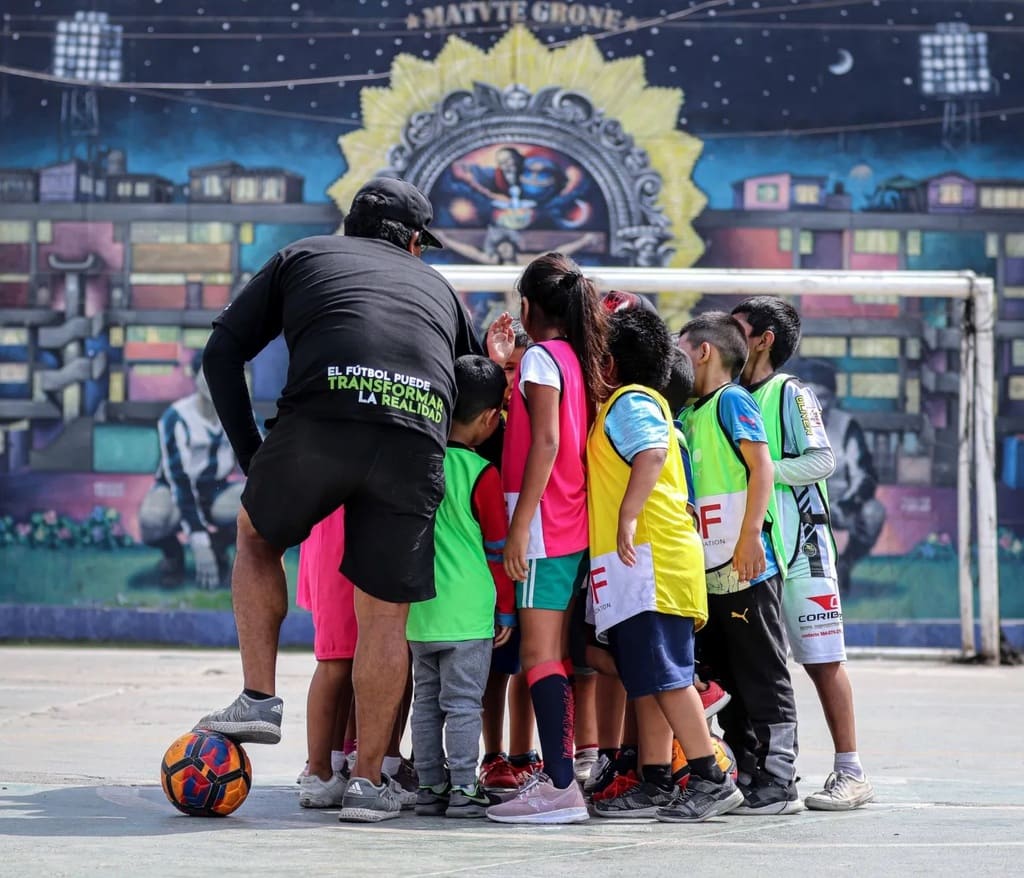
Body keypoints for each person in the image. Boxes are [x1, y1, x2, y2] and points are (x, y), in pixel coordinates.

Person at [194, 177, 483, 823]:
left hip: (323, 422)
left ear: (348, 225)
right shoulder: (439, 286)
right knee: (385, 619)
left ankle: (259, 700)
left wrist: (251, 453)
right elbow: (472, 383)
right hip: (414, 438)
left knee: (257, 537)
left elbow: (223, 351)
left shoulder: (304, 255)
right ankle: (370, 783)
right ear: (414, 241)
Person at [585, 308, 743, 822]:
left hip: (651, 560)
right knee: (649, 676)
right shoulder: (636, 403)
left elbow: (650, 453)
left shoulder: (631, 401)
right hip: (644, 563)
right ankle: (655, 779)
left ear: (608, 363)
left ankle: (709, 778)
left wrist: (628, 516)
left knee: (669, 677)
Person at [731, 296, 874, 811]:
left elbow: (822, 459)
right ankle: (755, 770)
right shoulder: (727, 395)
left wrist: (759, 474)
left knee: (821, 660)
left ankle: (851, 770)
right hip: (753, 550)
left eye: (738, 328)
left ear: (764, 339)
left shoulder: (789, 393)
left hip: (804, 549)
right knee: (755, 665)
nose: (729, 336)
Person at [485, 253, 608, 825]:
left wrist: (516, 528)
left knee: (537, 657)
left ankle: (560, 787)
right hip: (567, 523)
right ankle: (561, 780)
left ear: (529, 307)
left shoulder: (539, 359)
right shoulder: (573, 359)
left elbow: (547, 444)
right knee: (551, 656)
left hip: (542, 526)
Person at [677, 312, 802, 815]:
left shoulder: (733, 401)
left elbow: (762, 467)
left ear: (704, 352)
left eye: (681, 348)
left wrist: (752, 534)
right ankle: (748, 770)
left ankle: (781, 780)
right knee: (728, 676)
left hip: (747, 565)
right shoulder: (688, 412)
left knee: (764, 672)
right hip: (707, 572)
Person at [409, 355, 517, 819]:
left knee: (426, 704)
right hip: (470, 611)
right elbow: (498, 549)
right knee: (463, 705)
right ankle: (464, 789)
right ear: (492, 418)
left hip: (420, 610)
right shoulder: (482, 473)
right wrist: (507, 610)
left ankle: (430, 786)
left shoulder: (417, 462)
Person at [138, 350, 241, 589]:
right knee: (152, 519)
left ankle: (221, 548)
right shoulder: (176, 417)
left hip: (214, 491)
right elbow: (180, 481)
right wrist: (198, 541)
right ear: (194, 376)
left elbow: (261, 457)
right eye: (207, 372)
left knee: (257, 503)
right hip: (175, 490)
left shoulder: (238, 412)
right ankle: (174, 555)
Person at [792, 358, 886, 593]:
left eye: (823, 396)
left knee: (874, 512)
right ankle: (809, 578)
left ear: (833, 398)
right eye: (811, 396)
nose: (817, 404)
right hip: (797, 506)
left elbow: (865, 475)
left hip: (840, 505)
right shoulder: (786, 424)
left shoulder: (846, 427)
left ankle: (845, 563)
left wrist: (847, 504)